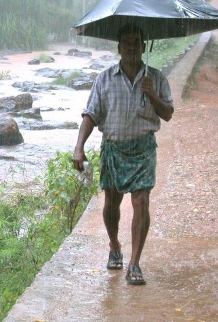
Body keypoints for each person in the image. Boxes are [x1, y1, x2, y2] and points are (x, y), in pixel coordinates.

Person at [72, 24, 174, 286]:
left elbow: (168, 114)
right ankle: (114, 244)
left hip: (143, 150)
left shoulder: (157, 79)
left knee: (141, 202)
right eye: (127, 42)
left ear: (143, 46)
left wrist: (151, 93)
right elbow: (91, 114)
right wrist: (79, 147)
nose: (131, 46)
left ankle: (135, 263)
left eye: (136, 41)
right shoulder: (104, 79)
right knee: (111, 203)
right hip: (114, 148)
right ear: (119, 48)